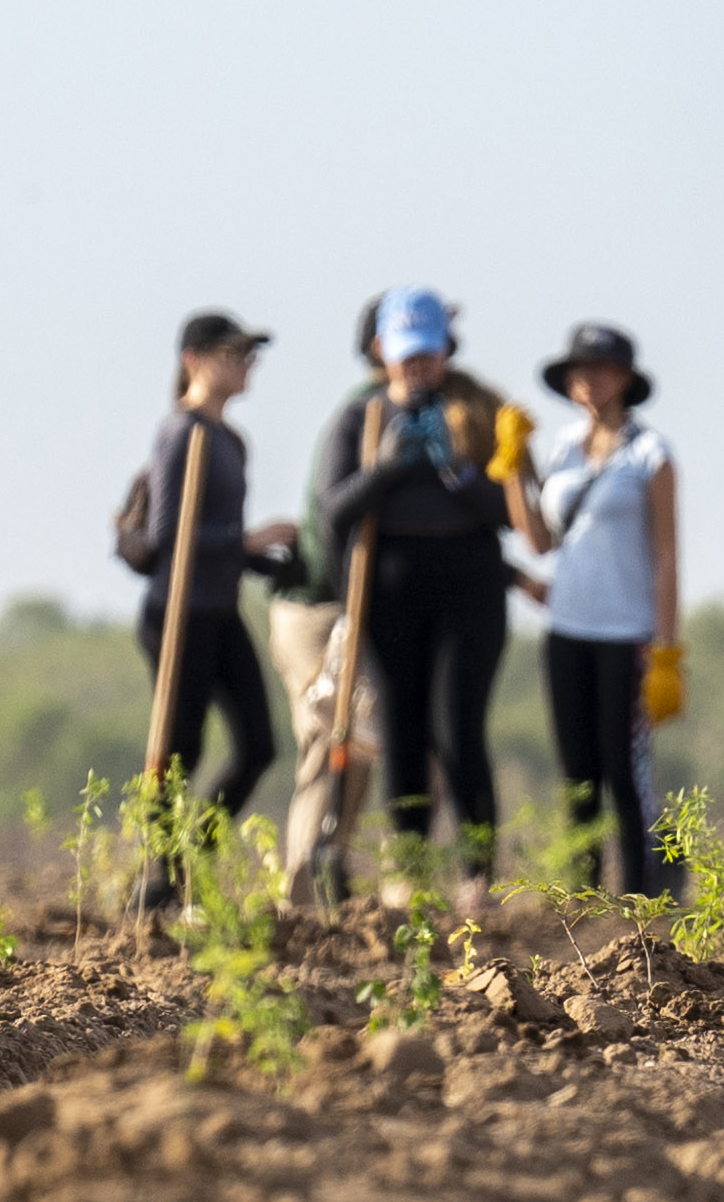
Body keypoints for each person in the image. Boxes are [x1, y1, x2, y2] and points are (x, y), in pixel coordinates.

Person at [312, 292, 525, 883]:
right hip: (388, 592)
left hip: (469, 585)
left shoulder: (475, 411)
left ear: (445, 350)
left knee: (457, 729)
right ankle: (409, 871)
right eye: (407, 354)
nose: (418, 366)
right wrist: (386, 469)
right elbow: (332, 510)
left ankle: (476, 877)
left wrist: (454, 471)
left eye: (428, 353)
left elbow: (508, 512)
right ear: (382, 351)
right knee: (402, 733)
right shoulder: (361, 417)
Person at [527, 321, 681, 891]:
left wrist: (667, 650)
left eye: (598, 369)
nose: (586, 380)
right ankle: (582, 890)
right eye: (577, 371)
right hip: (566, 626)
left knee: (623, 768)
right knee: (577, 771)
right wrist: (511, 465)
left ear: (623, 379)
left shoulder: (650, 454)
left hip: (627, 630)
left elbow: (667, 554)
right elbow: (542, 541)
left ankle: (641, 893)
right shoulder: (561, 449)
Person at [127, 313, 283, 818]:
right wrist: (248, 540)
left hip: (220, 606)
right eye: (232, 355)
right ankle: (160, 876)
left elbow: (222, 540)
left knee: (259, 746)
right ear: (193, 361)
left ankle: (197, 851)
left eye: (247, 356)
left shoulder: (229, 440)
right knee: (178, 752)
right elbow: (167, 533)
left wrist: (265, 559)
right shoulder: (181, 433)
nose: (244, 366)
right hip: (178, 609)